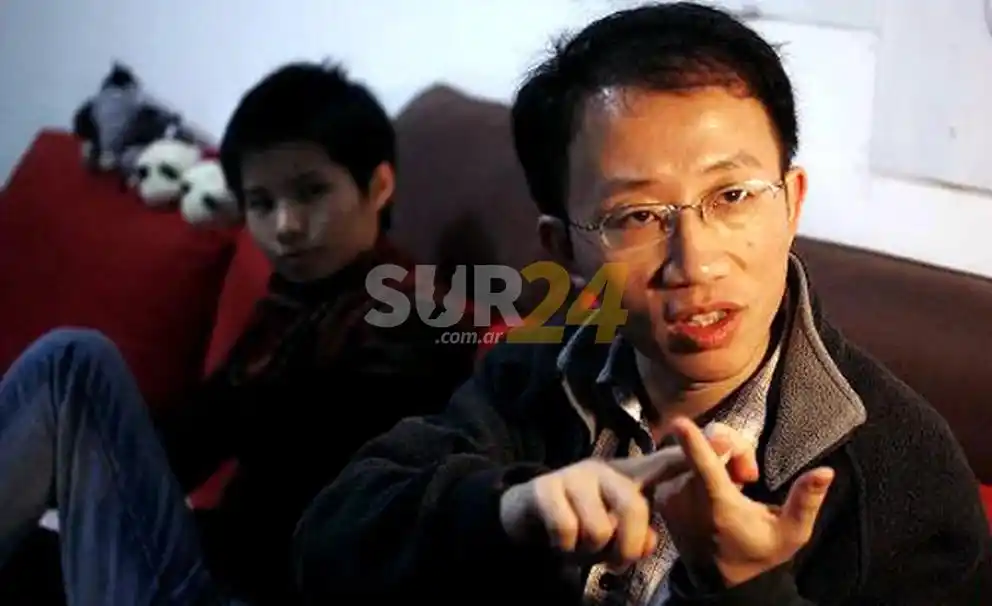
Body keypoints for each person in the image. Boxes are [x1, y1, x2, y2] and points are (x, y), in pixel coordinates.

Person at [291, 4, 992, 605]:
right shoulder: (543, 368)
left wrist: (749, 590)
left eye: (733, 196)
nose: (696, 263)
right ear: (563, 249)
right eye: (636, 216)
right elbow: (328, 543)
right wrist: (510, 509)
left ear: (791, 204)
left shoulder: (903, 472)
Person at [0, 61, 477, 605]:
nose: (286, 226)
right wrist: (81, 466)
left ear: (379, 185)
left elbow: (318, 480)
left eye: (311, 192)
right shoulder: (298, 297)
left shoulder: (416, 310)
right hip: (205, 560)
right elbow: (189, 444)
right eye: (262, 204)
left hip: (255, 588)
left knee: (73, 363)